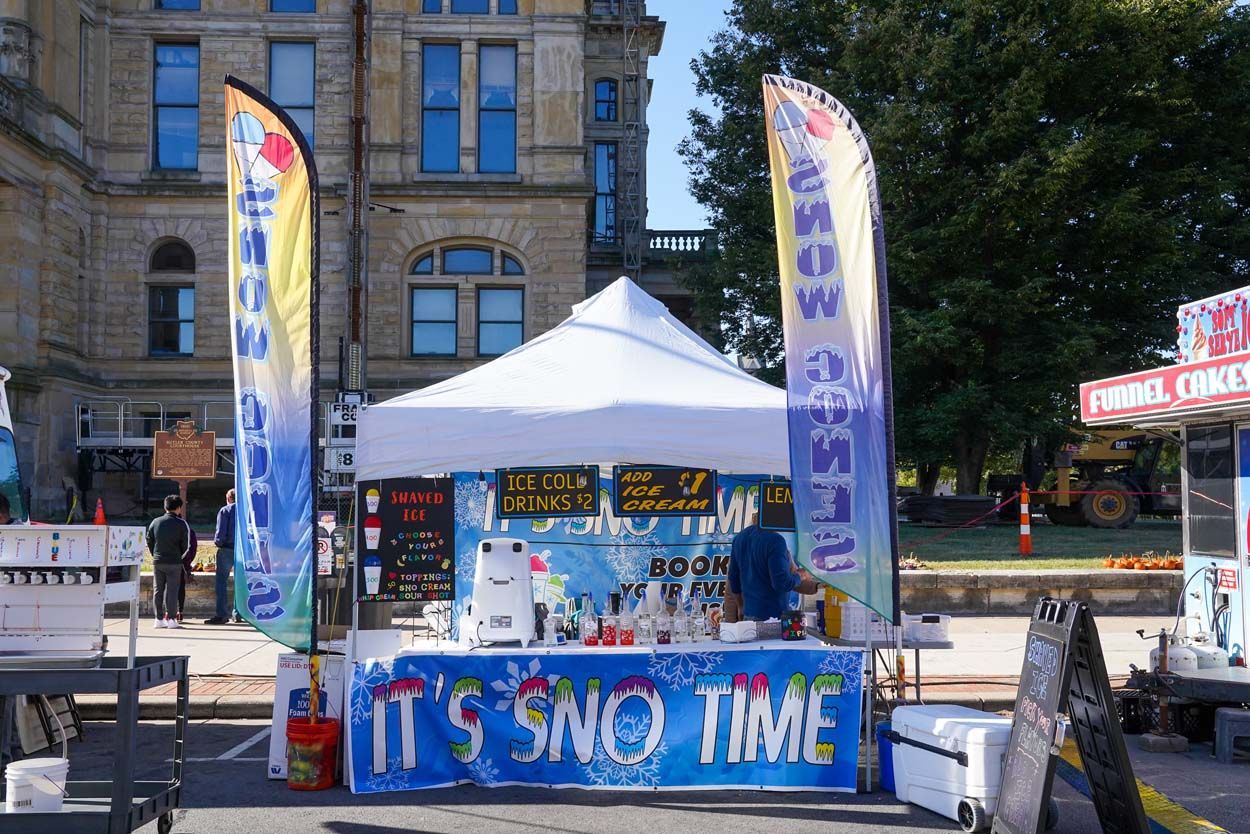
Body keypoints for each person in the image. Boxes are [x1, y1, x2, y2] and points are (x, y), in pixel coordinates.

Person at [727, 512, 819, 621]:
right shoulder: (776, 540)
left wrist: (740, 606)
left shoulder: (740, 538)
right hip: (773, 617)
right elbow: (782, 583)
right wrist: (801, 576)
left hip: (749, 615)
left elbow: (733, 579)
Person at [146, 494, 190, 629]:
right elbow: (186, 545)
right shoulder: (182, 524)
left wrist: (155, 554)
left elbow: (149, 539)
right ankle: (171, 619)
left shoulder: (155, 522)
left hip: (158, 561)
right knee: (172, 591)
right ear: (179, 508)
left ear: (165, 506)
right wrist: (179, 556)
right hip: (174, 562)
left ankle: (158, 619)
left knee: (158, 590)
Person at [206, 489, 240, 625]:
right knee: (241, 583)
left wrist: (218, 543)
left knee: (221, 582)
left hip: (227, 548)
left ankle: (222, 614)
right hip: (243, 550)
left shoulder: (225, 511)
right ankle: (238, 613)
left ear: (228, 498)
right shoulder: (247, 509)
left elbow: (220, 532)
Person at [175, 525, 198, 624]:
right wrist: (187, 563)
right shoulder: (187, 529)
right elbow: (192, 547)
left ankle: (166, 614)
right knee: (180, 587)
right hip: (181, 562)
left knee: (166, 588)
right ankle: (179, 611)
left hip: (165, 560)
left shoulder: (160, 525)